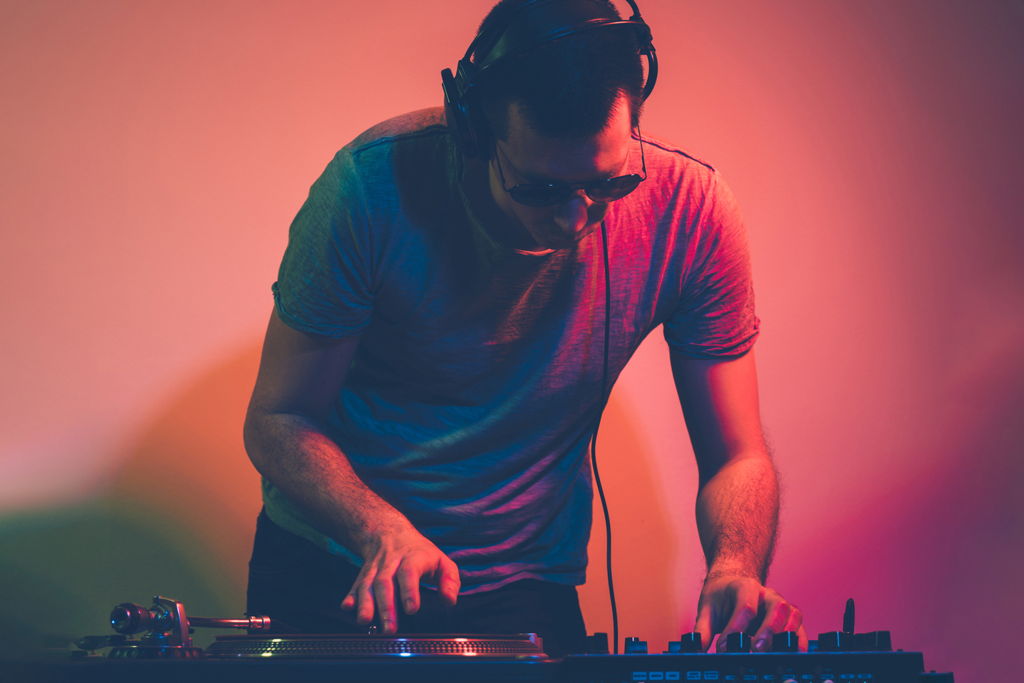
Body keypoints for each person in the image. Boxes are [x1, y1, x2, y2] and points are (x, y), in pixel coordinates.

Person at [243, 0, 806, 658]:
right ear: (475, 133)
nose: (574, 219)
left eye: (607, 184)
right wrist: (377, 528)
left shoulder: (693, 212)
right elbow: (279, 418)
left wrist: (733, 566)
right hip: (339, 567)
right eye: (540, 189)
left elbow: (737, 454)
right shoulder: (369, 189)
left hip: (524, 583)